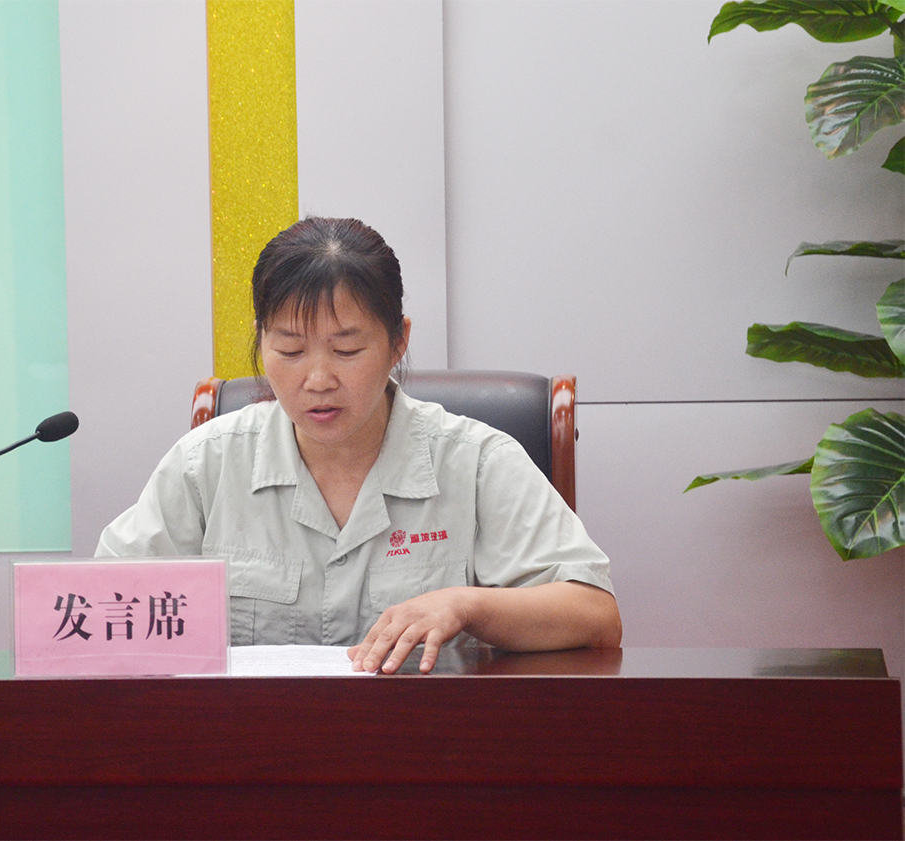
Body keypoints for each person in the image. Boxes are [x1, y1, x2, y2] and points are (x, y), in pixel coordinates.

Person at [96, 217, 621, 673]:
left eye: (346, 350)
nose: (317, 379)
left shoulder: (476, 462)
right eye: (290, 350)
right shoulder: (206, 464)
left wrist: (468, 606)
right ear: (261, 340)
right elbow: (103, 609)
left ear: (398, 341)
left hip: (429, 743)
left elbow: (596, 617)